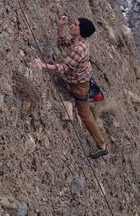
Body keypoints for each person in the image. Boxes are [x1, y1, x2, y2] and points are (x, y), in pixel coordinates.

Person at [35, 14, 108, 159]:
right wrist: (61, 25)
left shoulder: (80, 49)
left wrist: (42, 65)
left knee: (85, 116)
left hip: (80, 85)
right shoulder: (77, 41)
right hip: (80, 79)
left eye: (75, 24)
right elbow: (62, 42)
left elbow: (63, 67)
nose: (72, 25)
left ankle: (102, 146)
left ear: (80, 30)